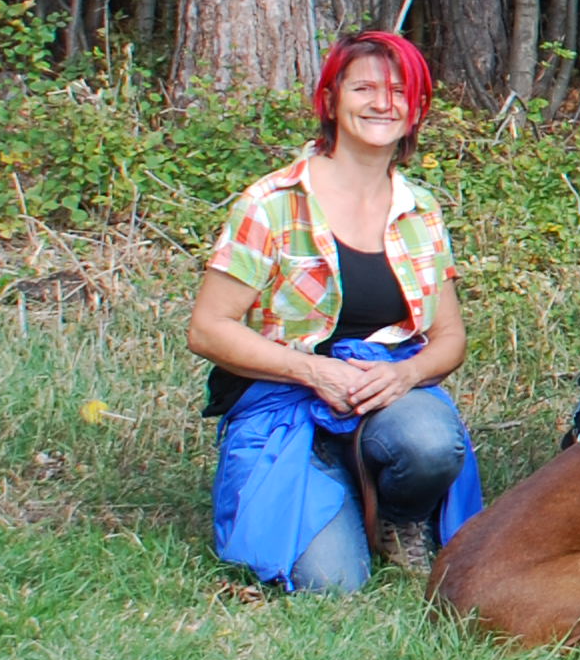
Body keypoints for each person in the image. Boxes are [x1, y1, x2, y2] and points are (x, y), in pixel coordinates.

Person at [187, 32, 484, 593]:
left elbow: (449, 337)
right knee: (333, 585)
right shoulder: (270, 204)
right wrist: (314, 371)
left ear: (417, 110)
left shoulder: (421, 211)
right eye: (364, 87)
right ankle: (323, 477)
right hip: (285, 399)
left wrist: (406, 374)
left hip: (382, 395)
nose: (382, 103)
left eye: (399, 91)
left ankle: (397, 514)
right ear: (330, 100)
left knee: (430, 442)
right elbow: (208, 328)